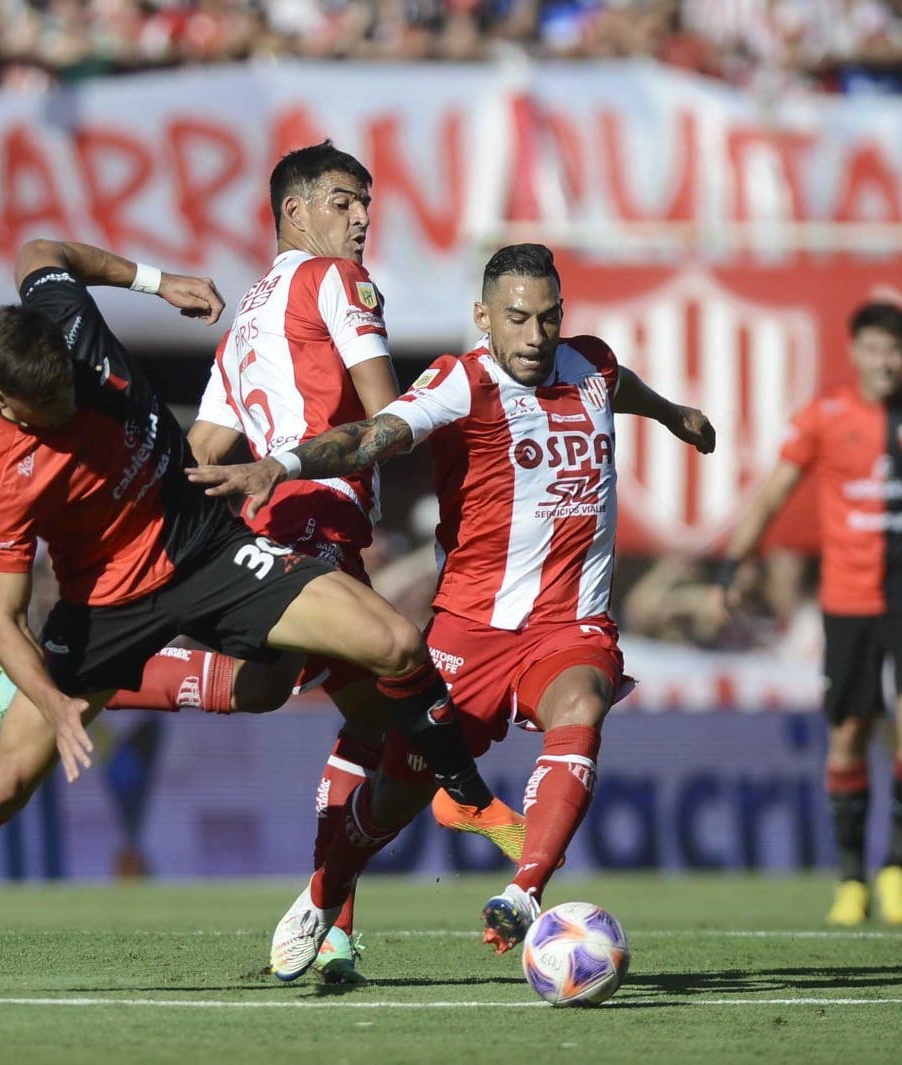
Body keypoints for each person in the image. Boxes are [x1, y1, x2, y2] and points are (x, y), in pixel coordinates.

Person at [0, 238, 500, 996]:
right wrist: (58, 704)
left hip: (206, 549)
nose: (70, 405)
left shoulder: (66, 321)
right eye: (51, 408)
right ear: (2, 401)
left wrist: (160, 283)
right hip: (104, 608)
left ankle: (462, 789)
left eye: (68, 386)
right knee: (2, 787)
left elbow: (37, 249)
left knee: (386, 642)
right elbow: (4, 621)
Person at [0, 142, 524, 981]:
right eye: (341, 201)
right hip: (312, 519)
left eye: (365, 203)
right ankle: (339, 904)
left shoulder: (248, 321)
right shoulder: (340, 286)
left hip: (272, 522)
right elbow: (385, 413)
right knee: (384, 705)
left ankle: (329, 914)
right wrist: (471, 426)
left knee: (281, 693)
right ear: (294, 213)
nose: (361, 218)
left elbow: (197, 458)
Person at [189, 243, 717, 976]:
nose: (536, 335)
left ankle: (524, 891)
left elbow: (619, 382)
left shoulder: (588, 364)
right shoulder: (462, 382)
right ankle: (322, 891)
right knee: (399, 791)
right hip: (469, 631)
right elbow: (374, 435)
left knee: (584, 701)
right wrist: (283, 463)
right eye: (519, 319)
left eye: (549, 317)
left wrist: (673, 413)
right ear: (484, 319)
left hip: (571, 624)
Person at [714, 298, 902, 927]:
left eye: (894, 350)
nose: (884, 361)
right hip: (847, 598)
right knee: (849, 734)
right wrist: (735, 561)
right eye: (873, 348)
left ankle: (897, 867)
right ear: (854, 352)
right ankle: (851, 880)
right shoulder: (823, 416)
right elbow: (774, 492)